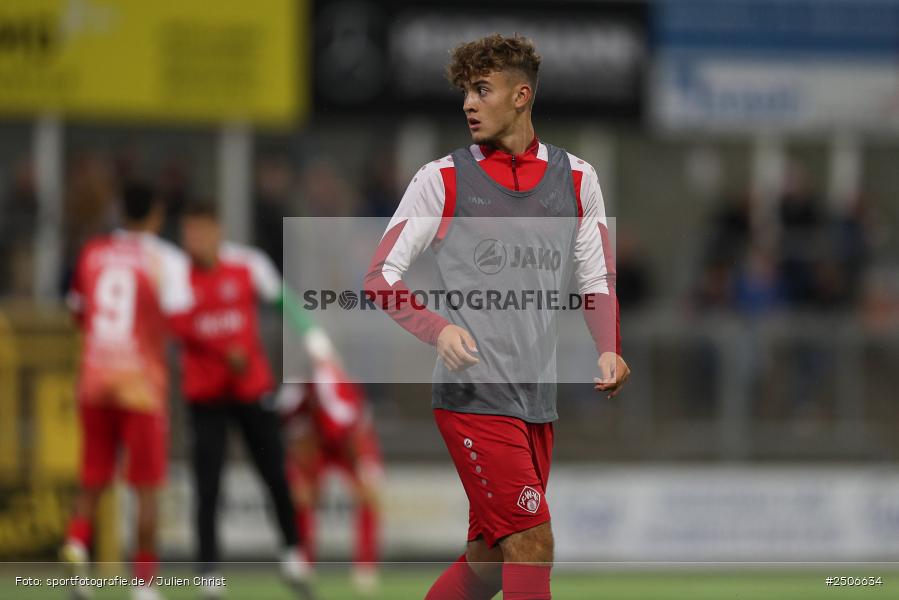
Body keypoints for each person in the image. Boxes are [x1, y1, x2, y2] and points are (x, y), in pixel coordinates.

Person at [364, 34, 630, 599]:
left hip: (535, 401)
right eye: (466, 92)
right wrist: (439, 329)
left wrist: (608, 344)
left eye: (482, 89)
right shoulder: (442, 179)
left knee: (487, 564)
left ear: (521, 96)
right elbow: (379, 278)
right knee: (533, 543)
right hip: (474, 398)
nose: (468, 103)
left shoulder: (578, 178)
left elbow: (596, 279)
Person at [173, 201, 314, 599]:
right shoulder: (177, 276)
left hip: (252, 392)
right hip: (206, 399)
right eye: (187, 233)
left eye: (198, 231)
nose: (192, 240)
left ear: (217, 230)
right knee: (207, 486)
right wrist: (222, 351)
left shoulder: (247, 264)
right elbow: (177, 327)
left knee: (274, 473)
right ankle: (209, 574)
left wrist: (312, 338)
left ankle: (292, 554)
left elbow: (286, 302)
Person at [61, 181, 194, 600]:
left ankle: (78, 551)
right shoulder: (165, 260)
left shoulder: (93, 252)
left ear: (121, 213)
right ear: (156, 214)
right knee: (147, 487)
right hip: (141, 386)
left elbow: (77, 313)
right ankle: (144, 585)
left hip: (95, 378)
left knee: (92, 479)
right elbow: (181, 323)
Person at [279, 356, 383, 595]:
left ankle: (365, 568)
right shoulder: (295, 395)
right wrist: (301, 470)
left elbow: (357, 436)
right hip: (314, 445)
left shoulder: (349, 393)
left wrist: (364, 469)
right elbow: (293, 434)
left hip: (349, 447)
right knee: (302, 499)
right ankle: (304, 562)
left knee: (369, 496)